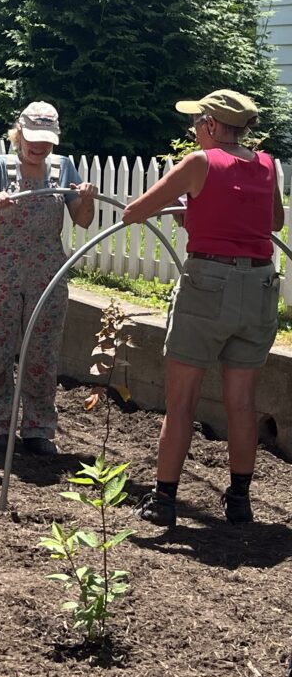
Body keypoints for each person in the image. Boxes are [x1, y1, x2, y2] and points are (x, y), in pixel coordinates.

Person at [121, 89, 283, 526]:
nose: (193, 130)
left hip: (208, 286)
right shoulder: (267, 165)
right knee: (241, 401)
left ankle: (164, 502)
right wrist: (198, 211)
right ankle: (240, 501)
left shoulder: (199, 162)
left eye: (196, 123)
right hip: (260, 287)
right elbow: (272, 224)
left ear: (212, 124)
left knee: (182, 399)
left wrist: (181, 206)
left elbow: (135, 212)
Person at [0, 101, 98, 456]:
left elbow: (83, 220)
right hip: (2, 274)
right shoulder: (0, 167)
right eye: (32, 138)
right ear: (19, 134)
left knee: (42, 355)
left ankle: (39, 430)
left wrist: (86, 199)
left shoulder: (63, 169)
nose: (38, 146)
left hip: (47, 274)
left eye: (46, 140)